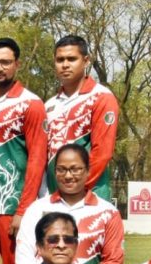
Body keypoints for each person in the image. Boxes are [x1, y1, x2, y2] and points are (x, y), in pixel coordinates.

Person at [0, 38, 47, 264]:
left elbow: (38, 158)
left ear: (17, 64)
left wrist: (24, 210)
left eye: (5, 62)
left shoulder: (30, 103)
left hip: (12, 206)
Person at [15, 143, 124, 264]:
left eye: (75, 169)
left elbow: (113, 261)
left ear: (88, 171)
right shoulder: (36, 209)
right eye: (61, 169)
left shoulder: (108, 212)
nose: (68, 175)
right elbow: (24, 254)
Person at [45, 35, 119, 202]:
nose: (65, 65)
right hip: (54, 197)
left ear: (86, 61)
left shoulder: (101, 97)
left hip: (90, 195)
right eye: (60, 60)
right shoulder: (49, 105)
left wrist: (76, 191)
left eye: (71, 59)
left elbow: (102, 152)